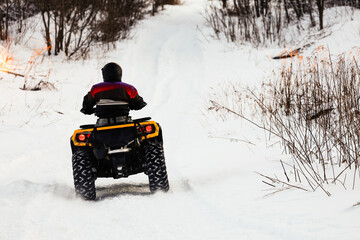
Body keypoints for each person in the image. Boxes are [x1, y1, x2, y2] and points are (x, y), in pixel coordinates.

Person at [80, 62, 147, 126]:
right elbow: (138, 104)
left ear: (104, 74)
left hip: (102, 124)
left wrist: (89, 110)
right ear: (120, 74)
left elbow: (86, 106)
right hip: (124, 122)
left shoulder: (96, 88)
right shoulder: (128, 88)